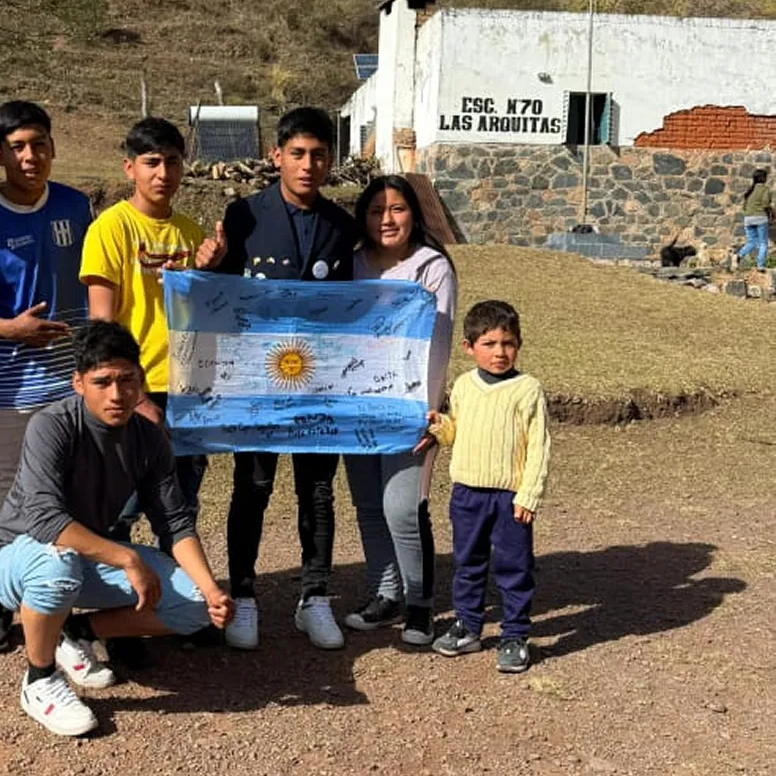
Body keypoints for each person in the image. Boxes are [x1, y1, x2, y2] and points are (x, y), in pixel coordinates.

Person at [0, 320, 234, 736]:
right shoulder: (52, 425)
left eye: (127, 380)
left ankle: (76, 631)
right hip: (20, 556)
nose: (117, 395)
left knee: (192, 606)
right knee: (56, 565)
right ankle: (39, 679)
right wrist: (127, 557)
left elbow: (174, 521)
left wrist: (211, 591)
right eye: (103, 382)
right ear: (78, 383)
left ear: (140, 380)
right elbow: (46, 519)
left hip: (86, 559)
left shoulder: (149, 438)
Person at [212, 107, 357, 651]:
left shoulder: (343, 227)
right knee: (252, 489)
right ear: (276, 156)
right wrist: (209, 263)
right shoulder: (244, 215)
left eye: (319, 154)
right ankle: (245, 596)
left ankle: (314, 597)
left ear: (330, 160)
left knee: (318, 491)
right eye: (297, 153)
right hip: (257, 383)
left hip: (320, 385)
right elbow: (216, 294)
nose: (308, 164)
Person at [0, 100, 94, 653]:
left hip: (73, 383)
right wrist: (5, 327)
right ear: (0, 154)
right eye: (17, 147)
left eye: (39, 144)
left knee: (72, 491)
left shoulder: (77, 206)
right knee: (3, 493)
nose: (30, 156)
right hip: (9, 387)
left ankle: (71, 606)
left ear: (53, 148)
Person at [79, 117, 223, 543]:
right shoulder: (110, 228)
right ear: (130, 168)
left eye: (174, 162)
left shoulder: (190, 233)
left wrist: (212, 269)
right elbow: (101, 327)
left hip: (188, 390)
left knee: (180, 508)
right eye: (152, 162)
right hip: (131, 389)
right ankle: (111, 602)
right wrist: (135, 397)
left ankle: (175, 600)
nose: (164, 174)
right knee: (118, 509)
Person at [342, 175, 457, 647]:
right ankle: (385, 593)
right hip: (356, 405)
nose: (386, 220)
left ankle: (420, 605)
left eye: (397, 209)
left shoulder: (432, 267)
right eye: (376, 211)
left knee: (403, 508)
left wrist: (429, 413)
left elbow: (439, 344)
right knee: (369, 505)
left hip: (409, 408)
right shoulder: (352, 264)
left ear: (414, 214)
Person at [427, 300, 551, 674]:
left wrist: (528, 496)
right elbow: (457, 435)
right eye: (490, 344)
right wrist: (440, 426)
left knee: (514, 567)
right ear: (469, 347)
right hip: (467, 494)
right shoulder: (464, 386)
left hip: (510, 498)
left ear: (519, 344)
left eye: (508, 343)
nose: (500, 352)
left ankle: (514, 635)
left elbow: (539, 448)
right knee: (468, 563)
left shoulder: (528, 390)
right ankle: (468, 626)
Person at [736, 169, 771, 269]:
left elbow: (744, 207)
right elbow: (765, 204)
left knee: (752, 242)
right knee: (763, 243)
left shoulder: (750, 190)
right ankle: (760, 265)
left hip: (748, 219)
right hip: (760, 217)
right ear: (763, 178)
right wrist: (771, 213)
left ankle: (739, 255)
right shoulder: (765, 189)